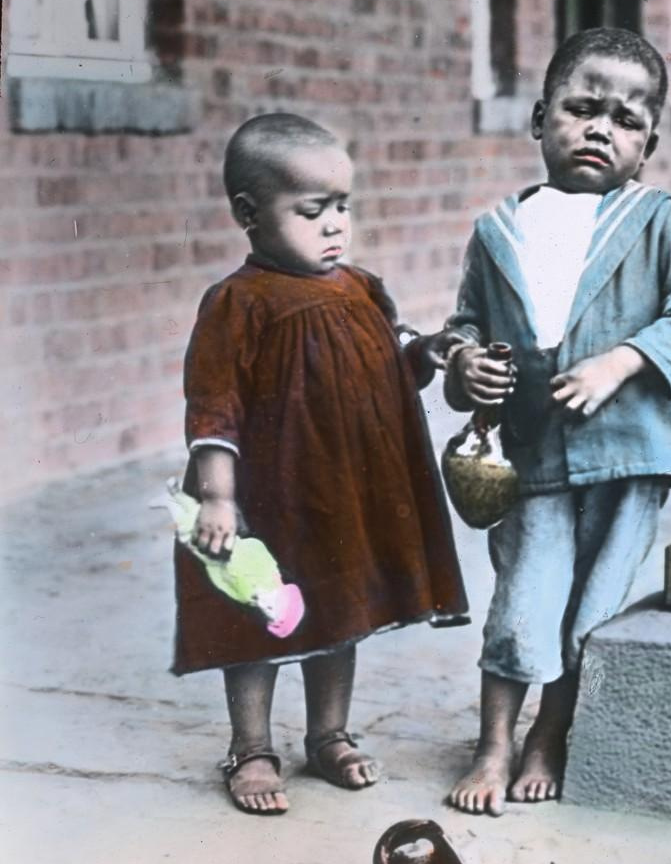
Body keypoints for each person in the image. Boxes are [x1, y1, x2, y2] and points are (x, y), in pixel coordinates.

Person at [444, 27, 671, 815]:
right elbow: (465, 323)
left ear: (648, 145)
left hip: (627, 452)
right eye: (581, 108)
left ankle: (549, 735)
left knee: (591, 608)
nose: (601, 128)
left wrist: (622, 360)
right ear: (539, 119)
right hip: (531, 453)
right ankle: (493, 742)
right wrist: (464, 364)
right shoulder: (499, 228)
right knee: (523, 599)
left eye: (626, 120)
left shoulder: (657, 221)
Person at [173, 112, 468, 815]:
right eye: (312, 211)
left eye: (342, 207)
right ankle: (251, 747)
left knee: (342, 607)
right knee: (259, 611)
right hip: (270, 496)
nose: (335, 225)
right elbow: (212, 409)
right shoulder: (237, 303)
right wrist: (217, 498)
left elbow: (388, 364)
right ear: (249, 214)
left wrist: (424, 353)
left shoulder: (361, 288)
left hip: (344, 492)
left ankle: (327, 733)